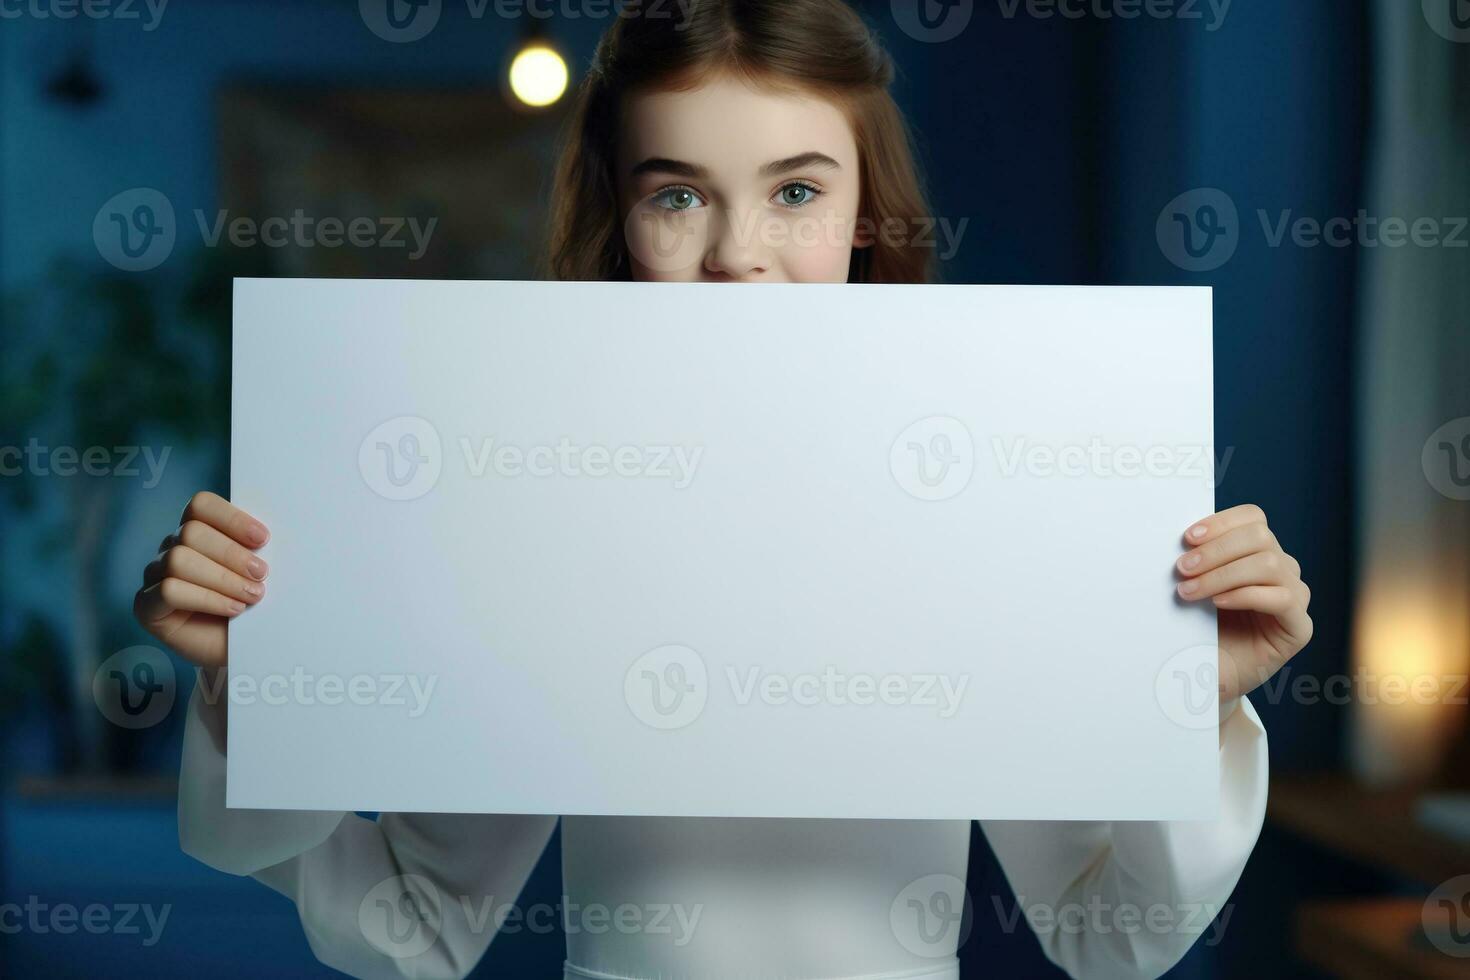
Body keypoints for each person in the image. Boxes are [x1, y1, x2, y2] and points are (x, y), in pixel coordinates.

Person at [133, 2, 1313, 978]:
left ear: (865, 214)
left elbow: (1112, 935)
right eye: (678, 193)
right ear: (622, 221)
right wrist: (258, 685)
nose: (740, 250)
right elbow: (412, 922)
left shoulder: (987, 506)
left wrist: (1190, 704)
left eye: (796, 190)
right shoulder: (546, 504)